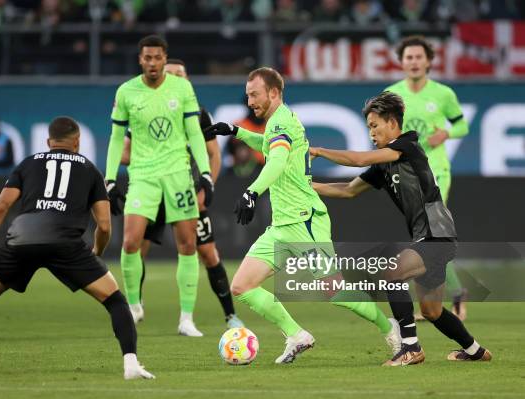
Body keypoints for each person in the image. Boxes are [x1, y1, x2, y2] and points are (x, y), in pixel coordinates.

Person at [204, 67, 400, 364]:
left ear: (274, 93)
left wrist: (252, 192)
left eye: (254, 95)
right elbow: (270, 148)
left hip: (305, 221)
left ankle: (390, 328)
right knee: (242, 286)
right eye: (247, 96)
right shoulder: (276, 123)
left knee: (333, 290)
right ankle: (296, 335)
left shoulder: (282, 121)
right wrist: (236, 132)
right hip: (282, 224)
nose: (250, 101)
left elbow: (278, 161)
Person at [0, 116, 154, 380]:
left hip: (22, 239)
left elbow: (0, 208)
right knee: (115, 301)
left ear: (48, 142)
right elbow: (105, 225)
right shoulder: (89, 170)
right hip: (67, 244)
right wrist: (96, 252)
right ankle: (131, 365)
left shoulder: (28, 164)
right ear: (77, 142)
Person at [310, 91, 492, 365]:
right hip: (427, 238)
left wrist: (319, 151)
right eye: (368, 127)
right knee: (431, 310)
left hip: (436, 234)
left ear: (393, 122)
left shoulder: (408, 146)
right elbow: (348, 190)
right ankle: (476, 351)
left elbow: (359, 160)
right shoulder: (385, 164)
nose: (371, 132)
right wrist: (306, 186)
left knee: (392, 273)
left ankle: (410, 348)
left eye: (374, 125)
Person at [117, 58, 244, 329]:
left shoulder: (198, 113)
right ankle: (134, 307)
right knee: (137, 248)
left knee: (207, 253)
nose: (176, 78)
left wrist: (207, 188)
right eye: (170, 74)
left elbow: (213, 155)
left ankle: (230, 315)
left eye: (180, 75)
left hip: (186, 191)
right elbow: (124, 152)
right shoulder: (145, 109)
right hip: (153, 188)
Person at [105, 35, 214, 337]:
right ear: (140, 59)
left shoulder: (182, 88)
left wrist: (205, 174)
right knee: (130, 243)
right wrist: (110, 178)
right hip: (142, 176)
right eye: (147, 58)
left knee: (188, 245)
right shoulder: (127, 91)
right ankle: (134, 305)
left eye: (157, 57)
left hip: (178, 173)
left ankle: (186, 319)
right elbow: (116, 138)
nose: (152, 63)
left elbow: (194, 133)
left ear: (165, 58)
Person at [386, 35, 469, 320]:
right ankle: (440, 298)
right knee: (428, 237)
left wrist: (446, 133)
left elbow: (462, 125)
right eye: (409, 57)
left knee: (432, 234)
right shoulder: (392, 95)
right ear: (401, 62)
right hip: (408, 175)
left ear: (429, 61)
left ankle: (452, 297)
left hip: (437, 171)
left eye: (419, 57)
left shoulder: (443, 94)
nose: (414, 62)